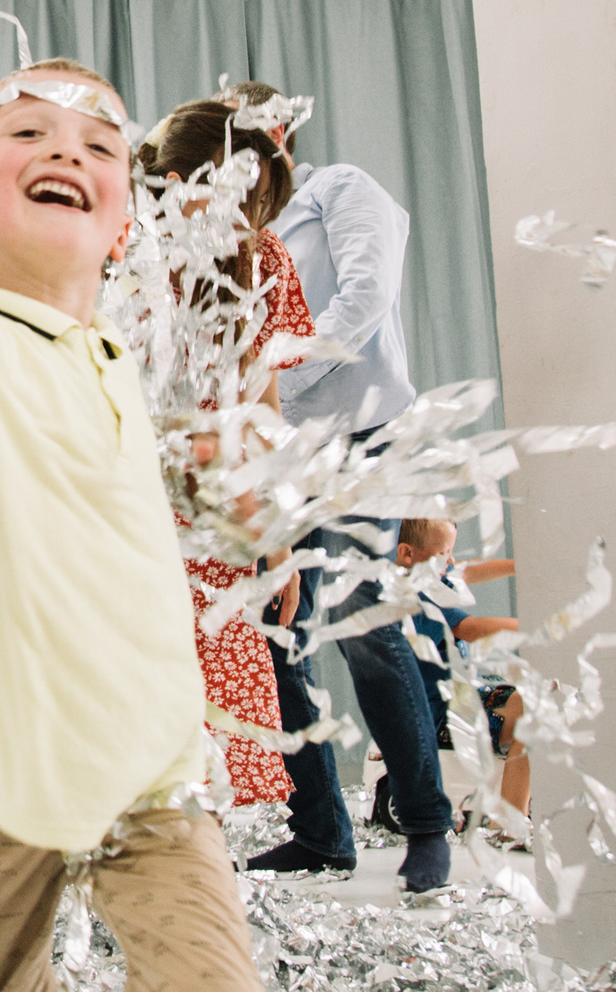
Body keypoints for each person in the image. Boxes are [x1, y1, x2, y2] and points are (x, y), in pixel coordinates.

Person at [0, 59, 264, 992]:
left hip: (152, 773)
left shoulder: (120, 358)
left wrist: (230, 500)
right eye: (29, 133)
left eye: (98, 145)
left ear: (126, 219)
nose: (65, 151)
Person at [226, 80, 457, 893]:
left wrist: (273, 382)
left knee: (364, 627)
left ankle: (427, 824)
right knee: (280, 623)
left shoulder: (339, 189)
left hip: (362, 435)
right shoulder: (235, 236)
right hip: (283, 453)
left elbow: (363, 300)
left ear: (282, 130)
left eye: (253, 131)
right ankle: (321, 831)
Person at [136, 99, 312, 812]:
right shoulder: (117, 249)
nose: (252, 215)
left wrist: (278, 530)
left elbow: (259, 407)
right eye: (240, 191)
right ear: (177, 180)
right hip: (121, 511)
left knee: (211, 754)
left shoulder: (262, 258)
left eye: (262, 200)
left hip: (213, 526)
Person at [387, 518, 527, 837]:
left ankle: (507, 818)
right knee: (529, 712)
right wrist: (530, 625)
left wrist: (520, 565)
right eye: (443, 553)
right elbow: (472, 629)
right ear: (406, 553)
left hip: (460, 696)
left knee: (527, 702)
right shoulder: (417, 597)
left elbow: (467, 570)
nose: (450, 561)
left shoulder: (429, 574)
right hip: (439, 713)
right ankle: (507, 822)